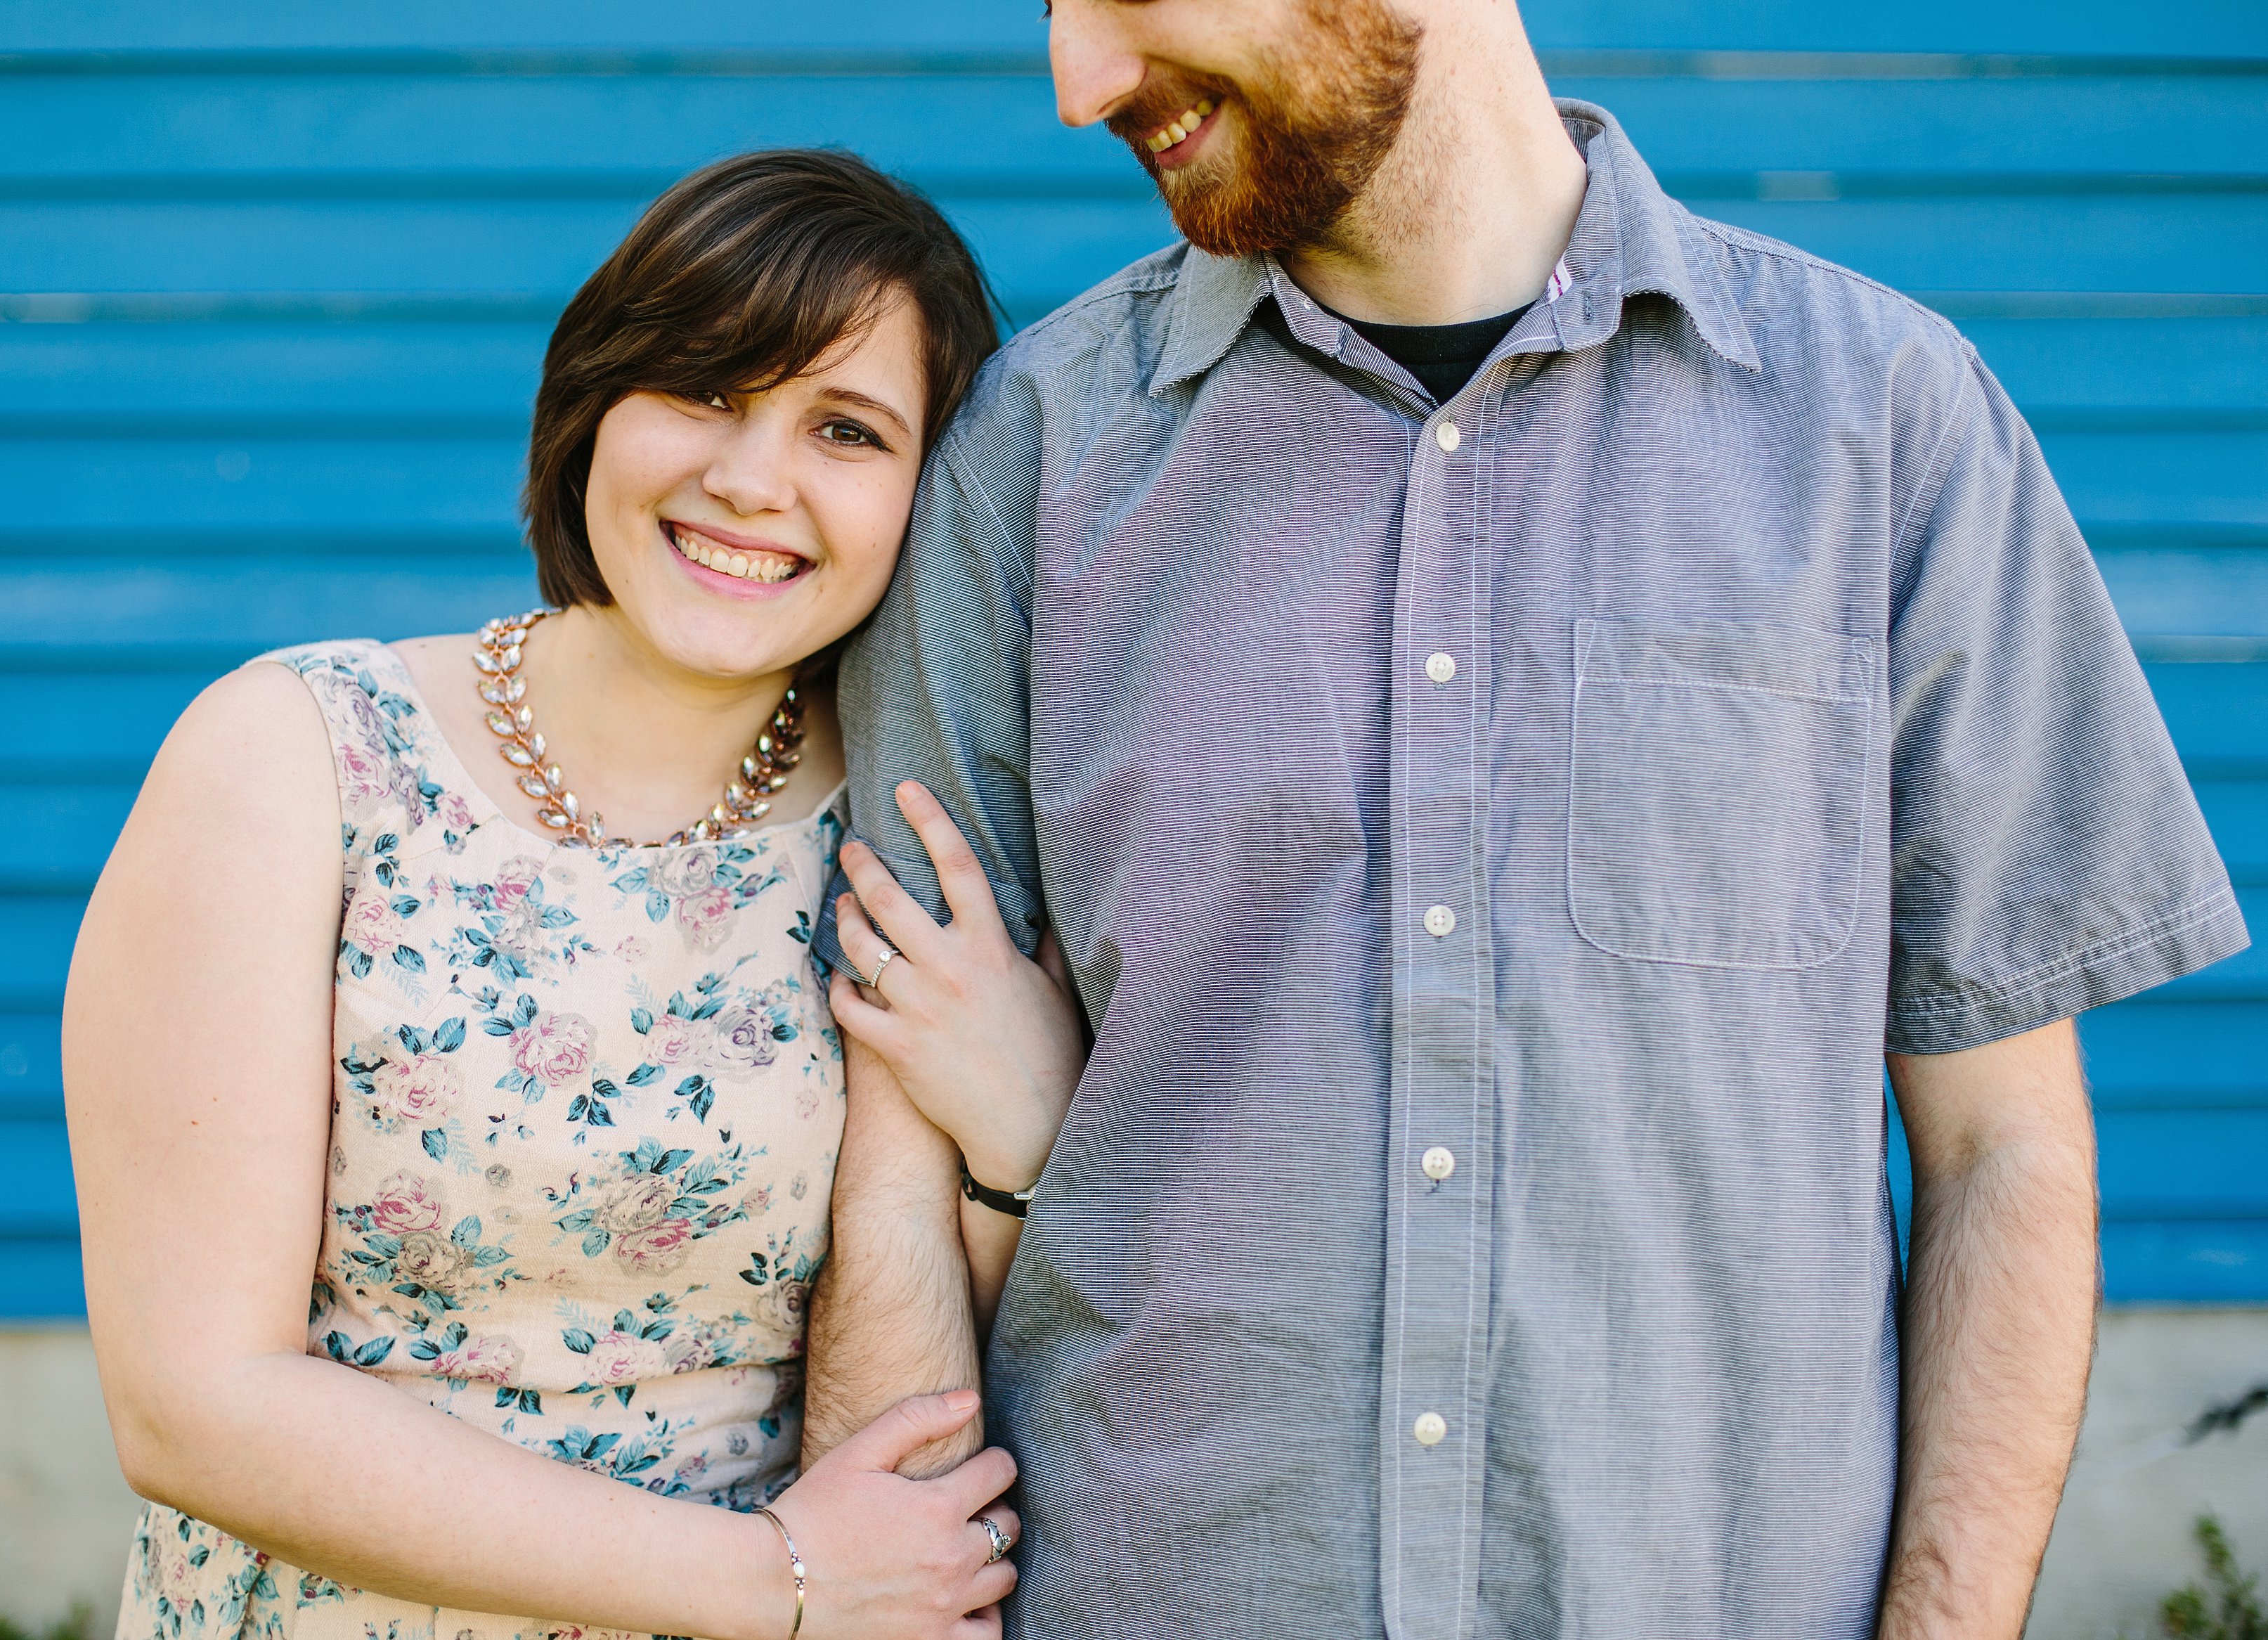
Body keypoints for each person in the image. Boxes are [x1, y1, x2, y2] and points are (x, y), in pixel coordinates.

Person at [800, 4, 2251, 1639]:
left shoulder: (1885, 426)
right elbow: (900, 1157)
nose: (1078, 90)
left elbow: (2005, 1150)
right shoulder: (1033, 460)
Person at [63, 148, 1080, 1640]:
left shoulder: (919, 843)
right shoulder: (298, 761)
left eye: (844, 429)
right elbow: (194, 1404)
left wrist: (1025, 1134)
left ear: (927, 497)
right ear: (593, 405)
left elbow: (946, 1374)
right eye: (707, 389)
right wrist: (775, 1584)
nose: (752, 479)